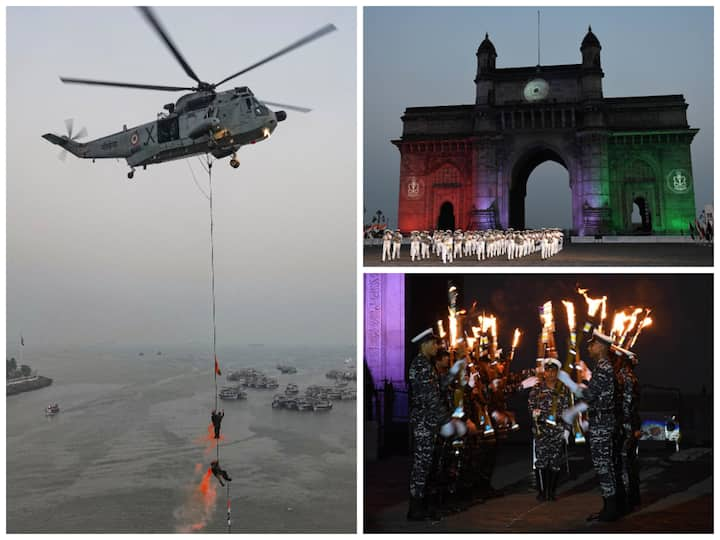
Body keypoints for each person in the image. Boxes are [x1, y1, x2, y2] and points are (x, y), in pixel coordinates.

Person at [558, 329, 619, 521]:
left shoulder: (604, 368)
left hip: (602, 423)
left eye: (592, 344)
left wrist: (567, 381)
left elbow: (590, 395)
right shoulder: (604, 367)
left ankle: (611, 510)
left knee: (603, 466)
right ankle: (609, 508)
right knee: (604, 465)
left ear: (601, 347)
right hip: (601, 421)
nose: (589, 347)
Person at [407, 328, 465, 521]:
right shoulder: (421, 366)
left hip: (429, 422)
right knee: (421, 465)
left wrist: (454, 371)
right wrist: (447, 420)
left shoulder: (426, 365)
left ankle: (421, 505)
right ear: (424, 345)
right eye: (434, 343)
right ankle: (415, 508)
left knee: (427, 464)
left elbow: (438, 385)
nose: (437, 347)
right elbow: (431, 397)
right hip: (424, 422)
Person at [528, 358, 570, 501]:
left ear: (557, 372)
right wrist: (534, 413)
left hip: (557, 429)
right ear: (544, 372)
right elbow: (531, 406)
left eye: (553, 371)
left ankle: (551, 492)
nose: (551, 374)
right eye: (548, 370)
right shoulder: (537, 389)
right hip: (541, 429)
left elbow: (568, 410)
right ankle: (541, 491)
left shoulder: (563, 389)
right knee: (541, 461)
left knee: (555, 462)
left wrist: (567, 430)